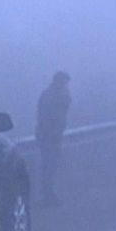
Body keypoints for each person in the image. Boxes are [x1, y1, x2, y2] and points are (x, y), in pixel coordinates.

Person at [36, 71, 71, 206]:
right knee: (49, 165)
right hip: (48, 135)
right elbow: (46, 117)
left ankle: (48, 193)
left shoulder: (58, 94)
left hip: (54, 134)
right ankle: (47, 194)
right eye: (64, 82)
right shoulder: (50, 95)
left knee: (51, 164)